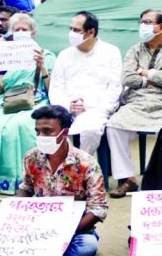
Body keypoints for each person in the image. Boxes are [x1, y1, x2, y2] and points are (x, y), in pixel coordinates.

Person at [105, 9, 162, 198]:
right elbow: (126, 78)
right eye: (142, 22)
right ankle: (128, 179)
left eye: (148, 22)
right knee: (114, 126)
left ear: (161, 27)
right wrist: (148, 78)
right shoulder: (134, 50)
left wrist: (145, 72)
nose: (143, 26)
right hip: (137, 101)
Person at [18, 105, 108, 256]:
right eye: (38, 131)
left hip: (74, 229)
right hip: (38, 226)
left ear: (65, 133)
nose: (41, 136)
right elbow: (26, 187)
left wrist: (67, 232)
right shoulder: (31, 157)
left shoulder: (86, 164)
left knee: (87, 246)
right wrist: (13, 210)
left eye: (47, 131)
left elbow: (98, 209)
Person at [0, 13, 55, 193]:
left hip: (36, 99)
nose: (21, 32)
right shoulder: (5, 54)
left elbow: (52, 89)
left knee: (21, 124)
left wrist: (42, 66)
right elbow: (0, 90)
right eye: (17, 29)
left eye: (25, 29)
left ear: (33, 32)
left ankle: (27, 179)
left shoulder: (46, 55)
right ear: (11, 32)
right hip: (7, 100)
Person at [48, 11, 122, 155]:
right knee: (52, 131)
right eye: (70, 29)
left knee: (90, 130)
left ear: (91, 32)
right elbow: (56, 87)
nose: (71, 33)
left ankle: (82, 167)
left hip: (96, 110)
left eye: (76, 30)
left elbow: (115, 88)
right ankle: (66, 169)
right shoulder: (64, 55)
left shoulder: (111, 52)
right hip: (66, 109)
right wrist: (67, 105)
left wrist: (90, 106)